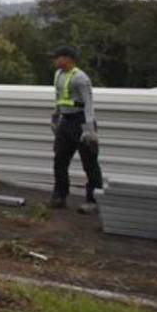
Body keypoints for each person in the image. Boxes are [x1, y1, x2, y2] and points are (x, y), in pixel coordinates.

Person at [49, 44, 104, 213]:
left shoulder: (81, 78)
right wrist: (56, 116)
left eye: (57, 57)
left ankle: (93, 201)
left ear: (67, 58)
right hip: (66, 121)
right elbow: (59, 97)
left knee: (89, 163)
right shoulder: (58, 75)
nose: (55, 60)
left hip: (81, 121)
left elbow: (89, 104)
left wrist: (89, 130)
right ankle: (60, 196)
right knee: (60, 160)